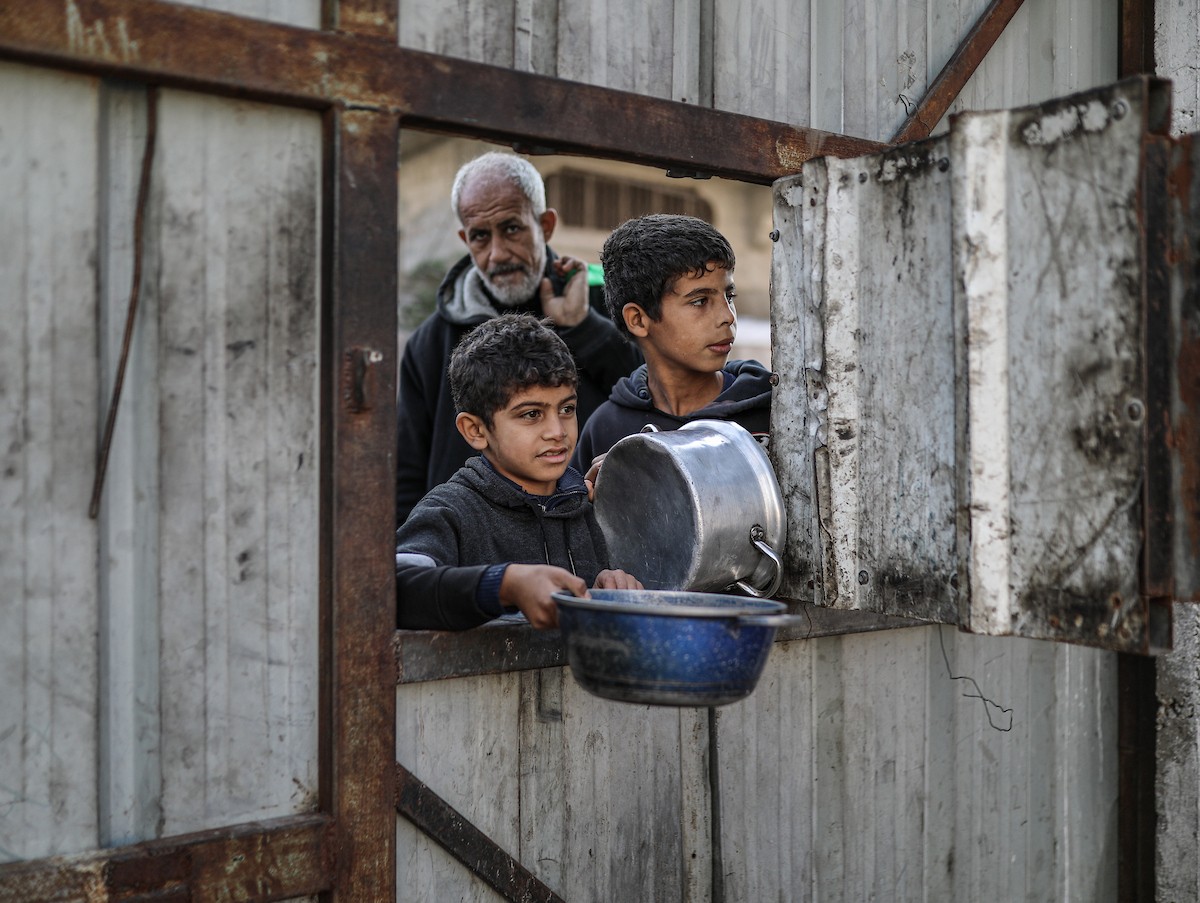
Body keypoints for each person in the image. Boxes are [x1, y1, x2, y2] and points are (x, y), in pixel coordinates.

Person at [396, 151, 643, 526]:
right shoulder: (430, 343)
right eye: (480, 236)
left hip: (592, 536)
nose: (497, 254)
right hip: (470, 548)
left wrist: (582, 327)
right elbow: (407, 476)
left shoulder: (604, 304)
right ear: (465, 238)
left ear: (545, 226)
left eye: (511, 229)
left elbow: (651, 397)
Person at [396, 313, 642, 631]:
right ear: (475, 430)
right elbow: (394, 587)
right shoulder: (451, 511)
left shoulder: (589, 506)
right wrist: (504, 585)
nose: (557, 431)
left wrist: (608, 589)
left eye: (566, 409)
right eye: (531, 414)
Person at [572, 213, 773, 476]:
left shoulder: (768, 413)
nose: (727, 316)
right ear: (638, 320)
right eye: (700, 301)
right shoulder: (608, 428)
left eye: (729, 296)